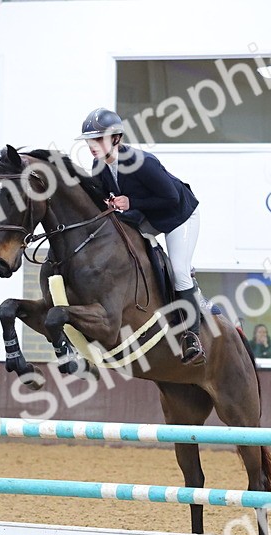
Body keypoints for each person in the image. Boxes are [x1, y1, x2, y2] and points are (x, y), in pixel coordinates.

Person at [75, 108, 205, 365]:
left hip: (179, 216)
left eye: (98, 139)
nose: (92, 145)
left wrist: (130, 201)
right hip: (147, 216)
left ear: (116, 138)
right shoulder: (99, 165)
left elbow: (171, 198)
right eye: (89, 140)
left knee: (179, 270)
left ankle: (192, 335)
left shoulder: (143, 162)